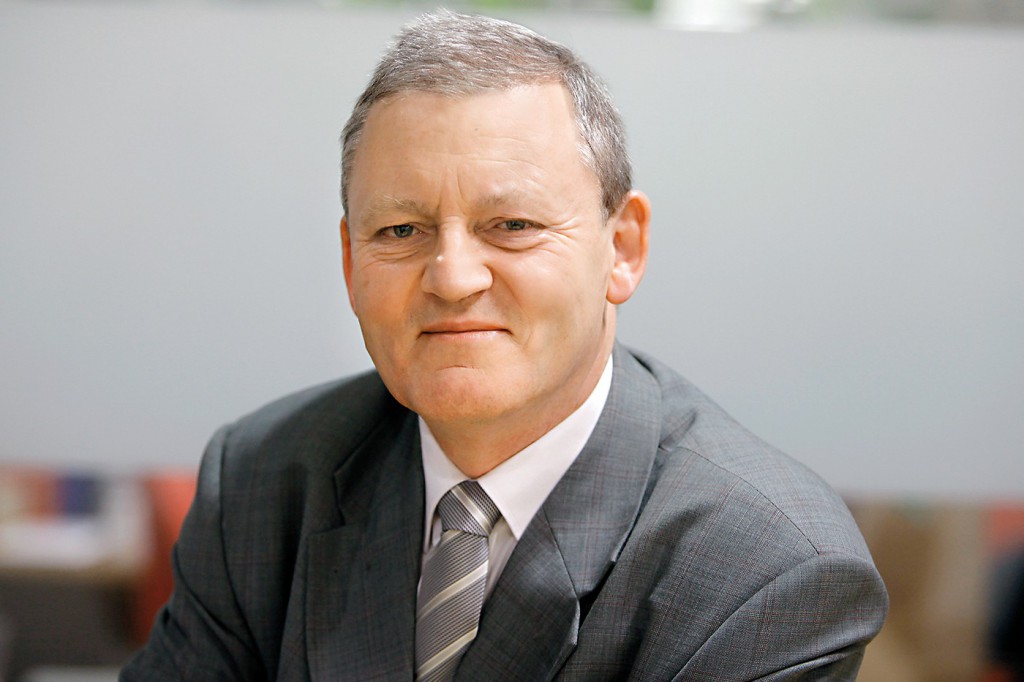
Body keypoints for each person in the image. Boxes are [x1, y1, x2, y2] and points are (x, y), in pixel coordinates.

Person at [122, 10, 887, 681]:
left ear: (622, 248)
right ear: (351, 264)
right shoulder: (263, 480)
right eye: (401, 230)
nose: (453, 278)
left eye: (512, 225)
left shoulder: (769, 569)